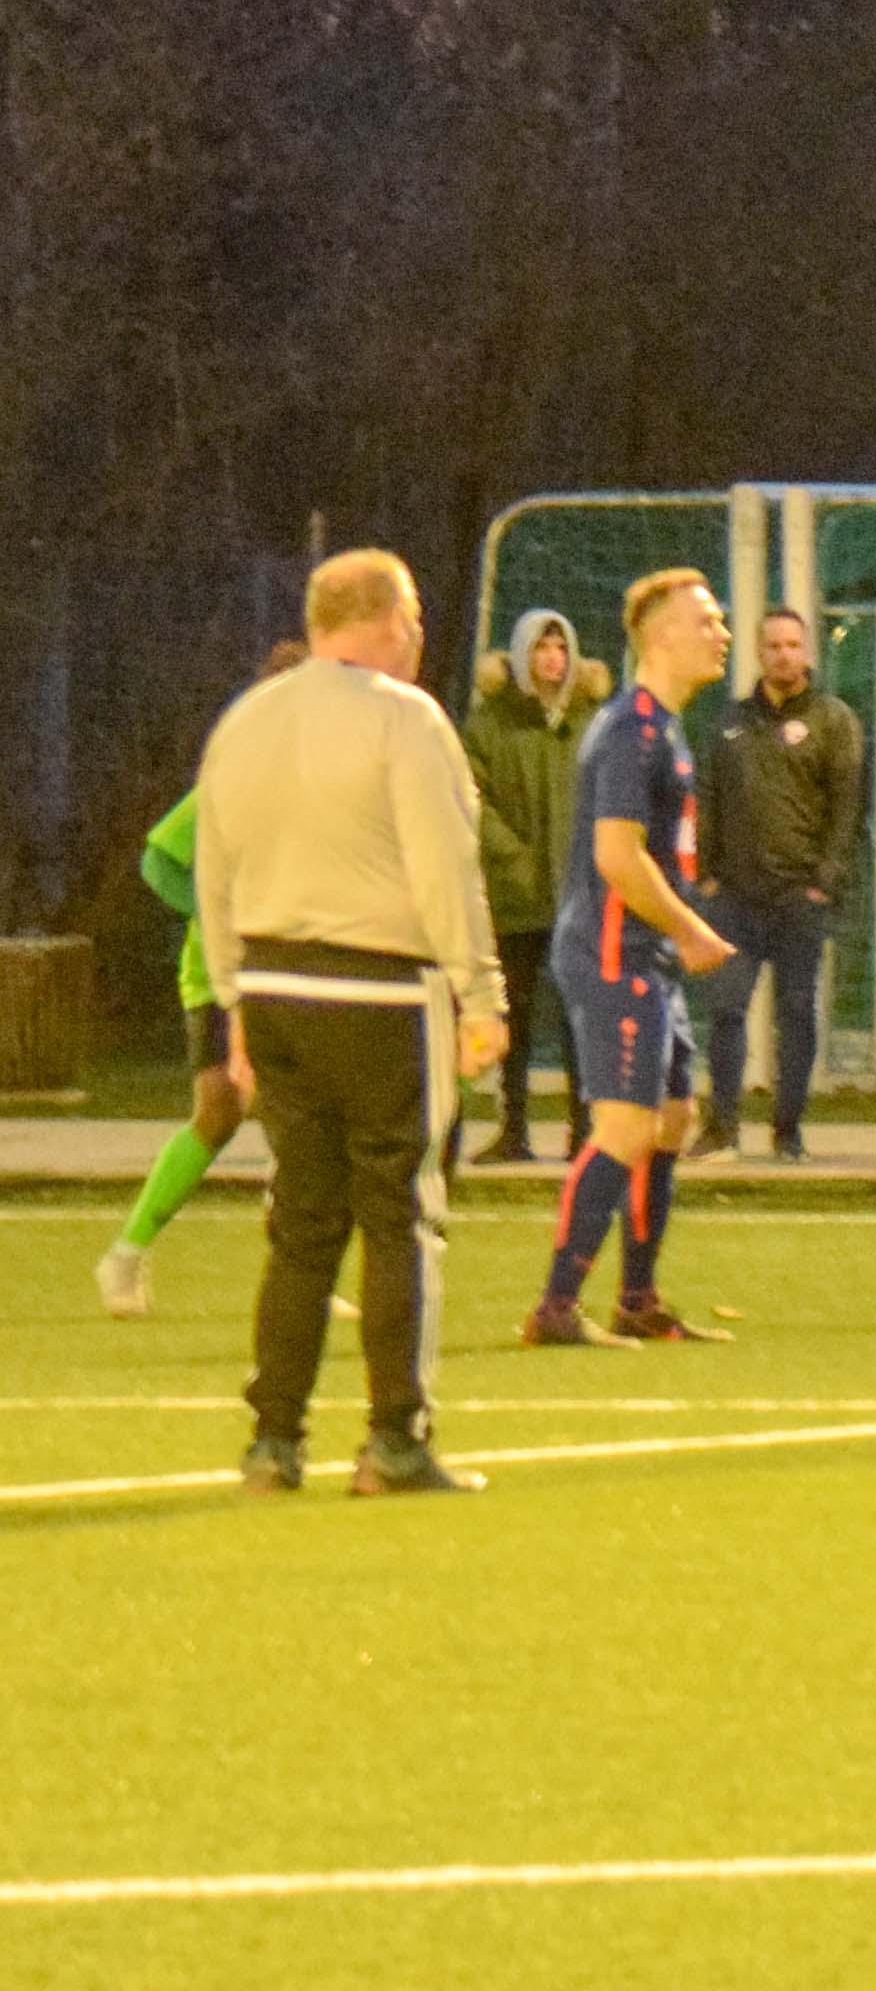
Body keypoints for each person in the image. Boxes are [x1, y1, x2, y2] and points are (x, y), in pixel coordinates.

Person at [192, 550, 510, 1494]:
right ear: (387, 618)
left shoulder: (246, 719)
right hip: (382, 991)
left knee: (300, 1218)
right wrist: (481, 993)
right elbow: (444, 868)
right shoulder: (403, 718)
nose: (419, 637)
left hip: (274, 985)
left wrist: (233, 998)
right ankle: (394, 1438)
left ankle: (273, 1439)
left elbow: (214, 872)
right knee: (400, 1212)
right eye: (412, 618)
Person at [522, 569, 740, 1347]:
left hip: (650, 957)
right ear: (660, 635)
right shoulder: (629, 731)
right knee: (623, 1125)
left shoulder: (663, 727)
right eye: (705, 620)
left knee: (672, 1120)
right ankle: (555, 1306)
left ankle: (637, 1299)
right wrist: (690, 928)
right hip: (614, 951)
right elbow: (616, 856)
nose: (722, 633)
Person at [94, 642, 308, 1318]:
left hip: (289, 968)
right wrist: (218, 914)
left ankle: (301, 1268)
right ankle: (125, 1255)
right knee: (223, 1114)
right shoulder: (234, 781)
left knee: (299, 1116)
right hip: (221, 973)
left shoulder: (318, 782)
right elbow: (160, 860)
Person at [692, 608, 863, 1163]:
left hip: (798, 899)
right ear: (759, 652)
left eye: (793, 645)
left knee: (796, 1014)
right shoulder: (729, 722)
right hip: (735, 898)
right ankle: (721, 1129)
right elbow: (707, 799)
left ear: (807, 651)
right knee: (726, 1010)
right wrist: (708, 877)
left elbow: (847, 809)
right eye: (773, 646)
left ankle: (788, 1133)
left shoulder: (833, 719)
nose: (784, 655)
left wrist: (824, 882)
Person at [461, 607, 610, 1161]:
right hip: (515, 893)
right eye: (542, 648)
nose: (553, 658)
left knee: (580, 1016)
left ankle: (584, 1128)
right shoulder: (491, 722)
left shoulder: (593, 721)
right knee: (516, 1014)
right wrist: (510, 855)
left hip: (578, 892)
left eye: (561, 647)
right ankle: (513, 1128)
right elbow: (471, 797)